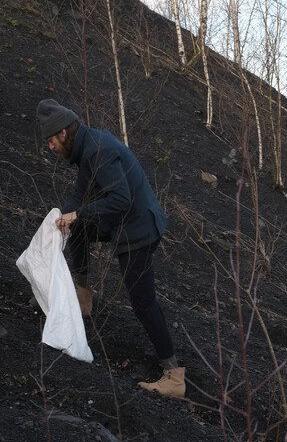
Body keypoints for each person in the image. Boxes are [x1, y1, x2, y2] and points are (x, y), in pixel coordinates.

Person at [36, 98, 185, 398]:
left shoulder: (97, 150)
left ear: (63, 133)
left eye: (51, 141)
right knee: (76, 227)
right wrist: (62, 217)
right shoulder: (86, 148)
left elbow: (121, 199)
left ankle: (174, 374)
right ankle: (82, 296)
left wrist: (78, 214)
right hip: (126, 223)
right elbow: (80, 193)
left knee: (142, 301)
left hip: (138, 228)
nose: (50, 147)